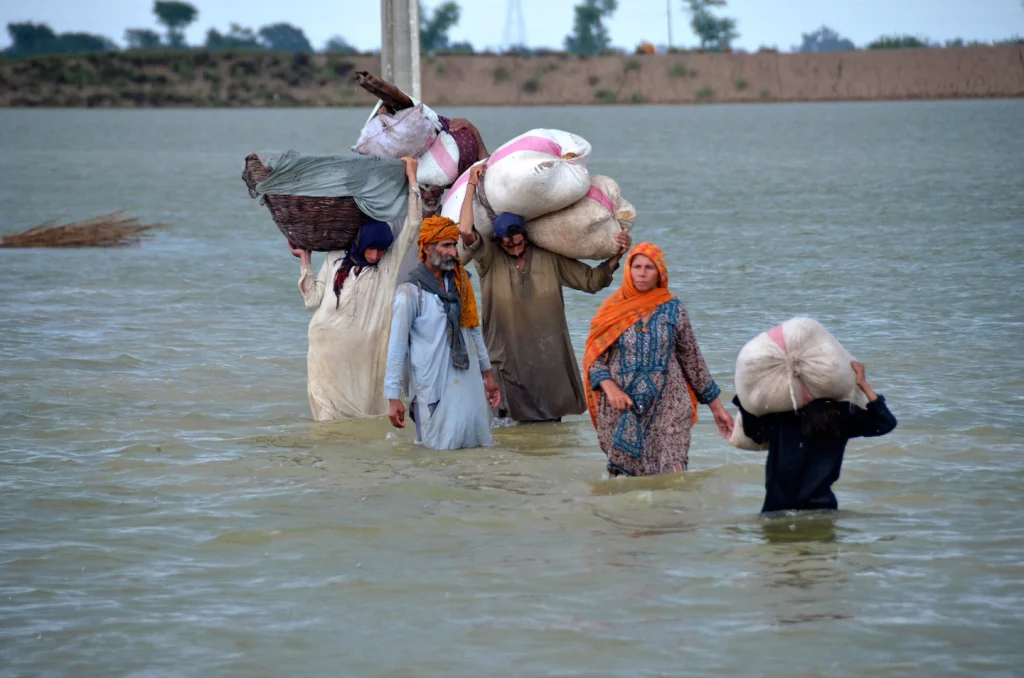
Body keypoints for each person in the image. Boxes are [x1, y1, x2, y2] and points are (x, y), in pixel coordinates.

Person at [457, 164, 632, 423]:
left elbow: (592, 281)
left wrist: (618, 254)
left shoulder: (549, 257)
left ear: (526, 237)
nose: (515, 248)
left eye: (518, 243)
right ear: (498, 242)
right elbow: (465, 231)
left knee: (549, 425)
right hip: (505, 357)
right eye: (508, 245)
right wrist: (471, 185)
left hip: (547, 359)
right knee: (506, 425)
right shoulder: (489, 259)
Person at [582, 243, 734, 477]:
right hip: (622, 408)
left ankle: (675, 512)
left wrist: (718, 409)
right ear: (629, 271)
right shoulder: (612, 310)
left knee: (674, 478)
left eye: (649, 267)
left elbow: (693, 362)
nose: (642, 273)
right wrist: (611, 389)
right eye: (637, 266)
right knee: (625, 487)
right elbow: (594, 360)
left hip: (669, 407)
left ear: (660, 273)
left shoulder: (674, 309)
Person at [290, 156, 423, 421]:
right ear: (360, 243)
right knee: (327, 419)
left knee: (366, 415)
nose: (375, 255)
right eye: (371, 248)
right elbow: (312, 301)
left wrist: (412, 179)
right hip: (326, 352)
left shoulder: (387, 266)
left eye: (380, 249)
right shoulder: (336, 259)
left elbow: (413, 225)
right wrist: (305, 260)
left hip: (365, 355)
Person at [384, 216, 502, 450]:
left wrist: (488, 376)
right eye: (446, 245)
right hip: (431, 388)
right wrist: (393, 397)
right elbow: (397, 348)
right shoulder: (409, 293)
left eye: (454, 245)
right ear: (427, 248)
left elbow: (474, 331)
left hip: (467, 382)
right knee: (436, 455)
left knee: (474, 448)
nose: (453, 252)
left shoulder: (462, 285)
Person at [733, 361, 897, 514]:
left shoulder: (781, 414)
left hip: (777, 509)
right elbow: (885, 422)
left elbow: (755, 434)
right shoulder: (842, 414)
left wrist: (743, 397)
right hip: (821, 509)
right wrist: (863, 384)